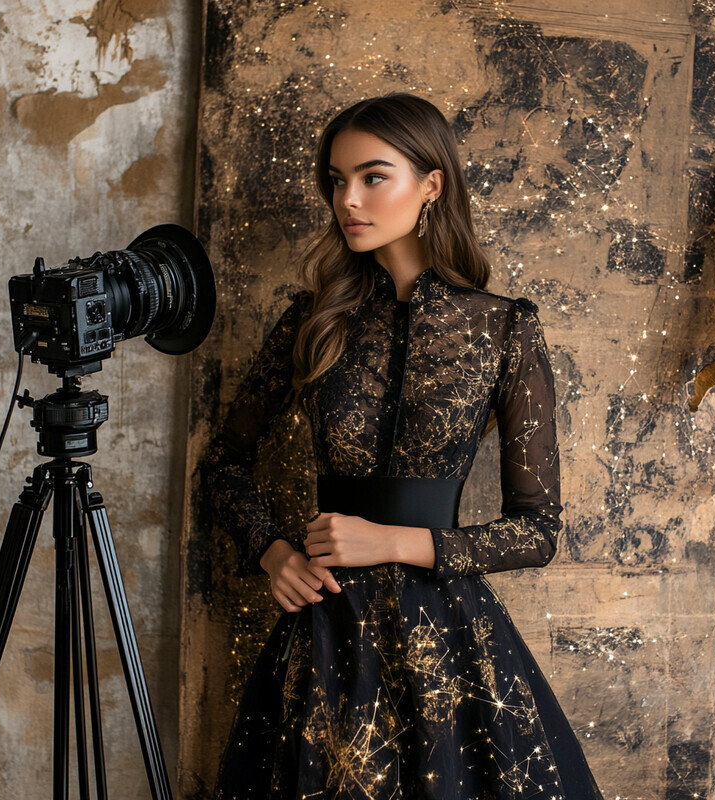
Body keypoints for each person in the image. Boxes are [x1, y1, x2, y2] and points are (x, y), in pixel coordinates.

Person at [200, 92, 604, 799]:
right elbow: (223, 466)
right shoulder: (313, 320)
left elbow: (537, 531)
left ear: (431, 185)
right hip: (328, 629)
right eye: (336, 180)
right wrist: (274, 552)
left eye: (372, 176)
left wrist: (389, 542)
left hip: (450, 640)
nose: (347, 199)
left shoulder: (503, 330)